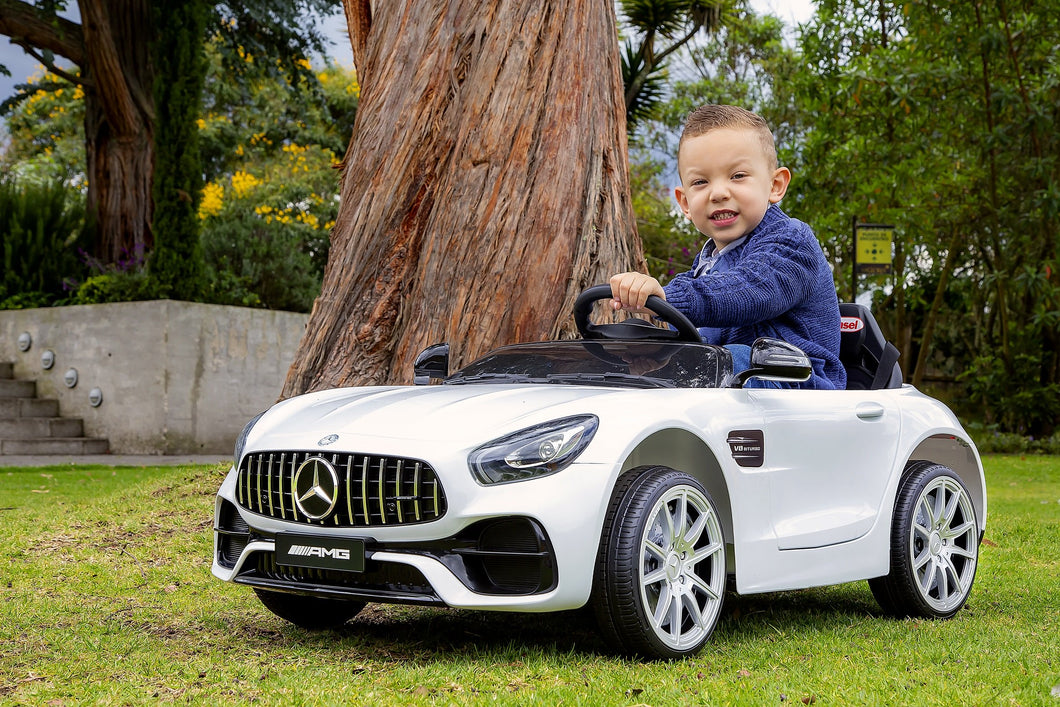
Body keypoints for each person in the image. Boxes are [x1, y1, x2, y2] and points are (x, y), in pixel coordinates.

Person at [610, 104, 845, 389]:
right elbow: (698, 331)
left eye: (737, 176)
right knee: (672, 359)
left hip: (798, 383)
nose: (719, 193)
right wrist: (657, 355)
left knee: (729, 360)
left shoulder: (791, 242)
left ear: (775, 185)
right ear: (684, 202)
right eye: (701, 182)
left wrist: (668, 297)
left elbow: (751, 290)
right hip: (737, 388)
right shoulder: (705, 265)